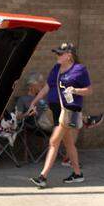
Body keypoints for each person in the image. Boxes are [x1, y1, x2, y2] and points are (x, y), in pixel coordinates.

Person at [27, 42, 90, 188]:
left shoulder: (79, 69)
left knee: (54, 141)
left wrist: (75, 90)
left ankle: (43, 177)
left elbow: (89, 90)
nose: (57, 55)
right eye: (57, 53)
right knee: (68, 143)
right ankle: (77, 174)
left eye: (60, 53)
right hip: (56, 109)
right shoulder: (56, 68)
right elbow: (47, 87)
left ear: (69, 55)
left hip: (69, 111)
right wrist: (34, 102)